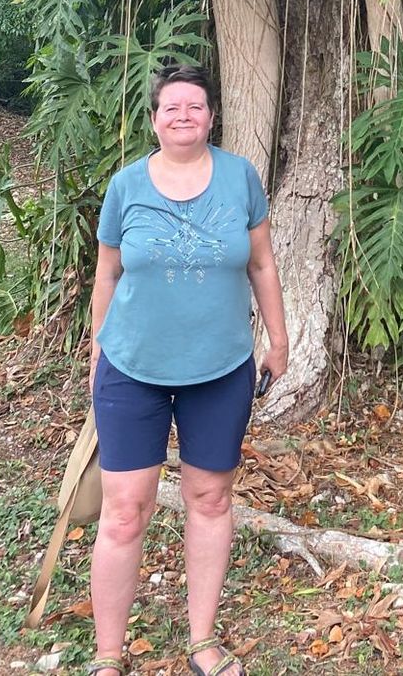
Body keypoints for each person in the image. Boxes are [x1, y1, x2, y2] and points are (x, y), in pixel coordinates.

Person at [87, 64, 289, 676]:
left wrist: (278, 340)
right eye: (171, 107)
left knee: (210, 497)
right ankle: (108, 655)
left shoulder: (240, 177)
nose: (183, 115)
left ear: (211, 117)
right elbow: (106, 273)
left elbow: (262, 264)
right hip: (132, 367)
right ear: (154, 119)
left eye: (195, 106)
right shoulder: (125, 186)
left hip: (220, 368)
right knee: (125, 511)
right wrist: (97, 353)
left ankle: (203, 642)